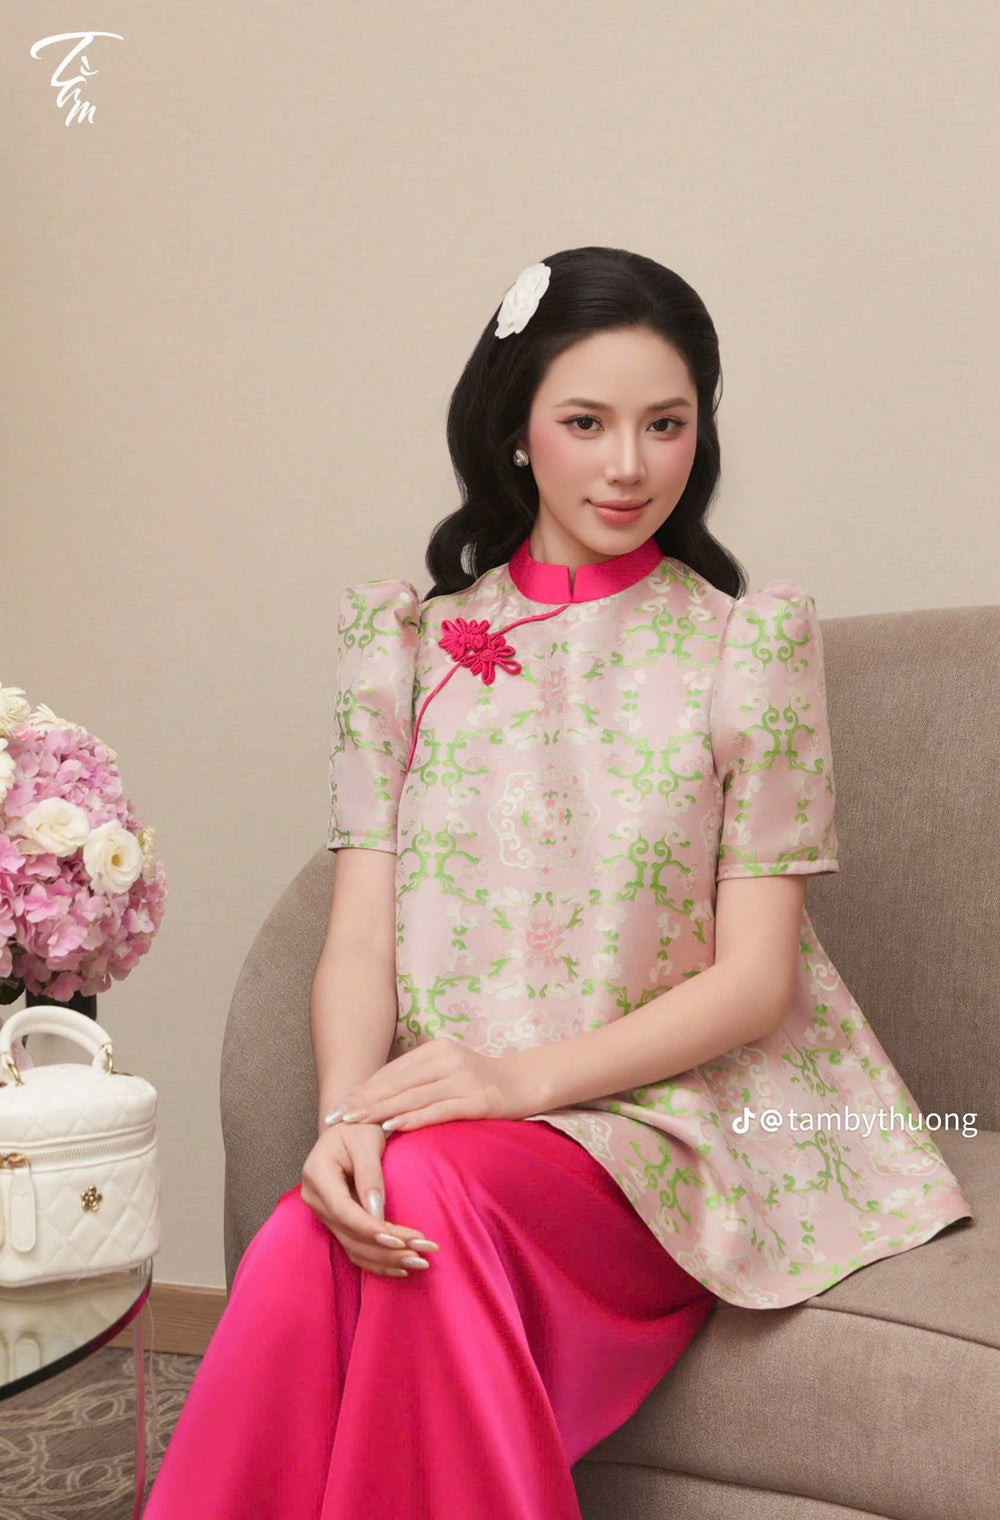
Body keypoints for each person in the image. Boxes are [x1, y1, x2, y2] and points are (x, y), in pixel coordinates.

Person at [143, 247, 973, 1518]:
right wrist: (345, 1113)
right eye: (585, 422)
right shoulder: (406, 647)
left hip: (668, 1119)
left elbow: (755, 983)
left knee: (421, 1193)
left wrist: (517, 1081)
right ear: (515, 431)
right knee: (335, 1216)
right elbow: (359, 935)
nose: (628, 465)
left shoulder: (746, 648)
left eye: (665, 424)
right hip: (453, 1125)